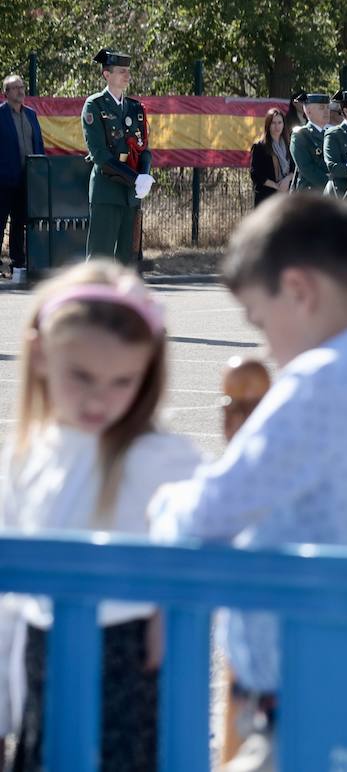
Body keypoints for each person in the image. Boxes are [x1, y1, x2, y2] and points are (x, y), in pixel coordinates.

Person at [148, 195, 347, 770]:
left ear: (299, 290)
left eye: (261, 321)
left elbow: (215, 508)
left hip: (305, 680)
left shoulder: (317, 381)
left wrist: (163, 504)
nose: (266, 346)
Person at [2, 261, 201, 770]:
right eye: (82, 375)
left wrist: (167, 606)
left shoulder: (158, 458)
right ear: (42, 356)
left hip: (127, 667)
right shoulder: (27, 457)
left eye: (123, 381)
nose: (100, 398)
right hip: (41, 664)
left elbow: (206, 538)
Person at [82, 50, 154, 264]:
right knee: (100, 258)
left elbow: (144, 149)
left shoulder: (135, 107)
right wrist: (135, 178)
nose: (127, 75)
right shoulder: (95, 105)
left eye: (128, 71)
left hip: (131, 196)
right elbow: (100, 154)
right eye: (121, 71)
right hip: (107, 192)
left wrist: (145, 175)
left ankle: (119, 299)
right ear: (107, 74)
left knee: (126, 259)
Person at [1, 74, 43, 284]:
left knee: (20, 223)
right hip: (4, 180)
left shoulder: (31, 115)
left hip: (28, 179)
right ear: (6, 93)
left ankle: (17, 264)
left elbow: (39, 145)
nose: (20, 90)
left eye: (22, 87)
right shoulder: (1, 115)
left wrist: (40, 173)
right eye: (15, 88)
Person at [249, 108, 295, 206]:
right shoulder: (260, 146)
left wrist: (287, 180)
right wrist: (276, 186)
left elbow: (296, 168)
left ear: (284, 124)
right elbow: (255, 174)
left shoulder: (290, 145)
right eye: (273, 123)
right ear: (268, 125)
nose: (277, 126)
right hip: (267, 197)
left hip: (287, 196)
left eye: (279, 122)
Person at [287, 93, 330, 192]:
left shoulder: (331, 134)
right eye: (321, 108)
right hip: (310, 195)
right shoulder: (300, 135)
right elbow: (307, 168)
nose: (326, 111)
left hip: (331, 196)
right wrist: (333, 184)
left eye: (328, 107)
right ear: (309, 111)